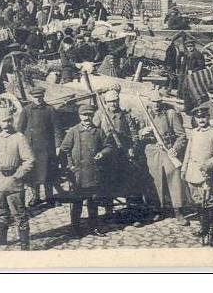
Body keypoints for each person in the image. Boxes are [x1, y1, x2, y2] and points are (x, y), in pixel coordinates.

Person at [60, 103, 113, 237]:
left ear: (93, 116)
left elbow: (108, 146)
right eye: (84, 115)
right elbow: (64, 149)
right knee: (77, 203)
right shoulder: (73, 131)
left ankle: (94, 227)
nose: (87, 118)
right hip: (77, 174)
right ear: (79, 116)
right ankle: (76, 229)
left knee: (93, 202)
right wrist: (70, 166)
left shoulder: (98, 131)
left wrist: (103, 153)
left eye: (89, 115)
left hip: (93, 173)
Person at [137, 90, 189, 225]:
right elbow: (136, 135)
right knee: (155, 181)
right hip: (152, 151)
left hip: (168, 150)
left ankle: (178, 211)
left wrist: (175, 149)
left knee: (175, 179)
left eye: (158, 102)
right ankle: (157, 210)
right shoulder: (144, 114)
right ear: (149, 101)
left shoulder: (171, 114)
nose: (156, 105)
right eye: (153, 102)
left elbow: (181, 136)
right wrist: (142, 132)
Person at [0, 106, 35, 250]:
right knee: (1, 210)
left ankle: (24, 244)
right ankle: (1, 239)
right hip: (0, 181)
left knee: (19, 213)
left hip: (14, 182)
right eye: (4, 121)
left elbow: (30, 160)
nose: (7, 124)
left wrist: (18, 175)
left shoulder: (19, 138)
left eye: (9, 121)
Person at [93, 88, 141, 220]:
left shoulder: (125, 116)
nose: (113, 104)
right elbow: (94, 133)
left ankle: (133, 214)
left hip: (122, 154)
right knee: (107, 183)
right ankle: (109, 213)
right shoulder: (100, 114)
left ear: (118, 101)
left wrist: (133, 148)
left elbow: (134, 135)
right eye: (110, 102)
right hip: (107, 156)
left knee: (130, 183)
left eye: (115, 101)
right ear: (106, 102)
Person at [181, 106, 213, 246]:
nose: (201, 120)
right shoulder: (193, 132)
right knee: (198, 203)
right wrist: (184, 168)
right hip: (192, 172)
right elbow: (188, 151)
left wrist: (207, 164)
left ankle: (211, 233)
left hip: (206, 174)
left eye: (204, 117)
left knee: (208, 203)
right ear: (195, 119)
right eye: (198, 117)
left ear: (208, 117)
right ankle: (203, 228)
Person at [18, 86, 61, 207]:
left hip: (47, 148)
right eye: (36, 97)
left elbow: (57, 129)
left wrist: (58, 145)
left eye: (40, 97)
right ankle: (35, 197)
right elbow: (20, 130)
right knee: (33, 175)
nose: (38, 100)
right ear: (32, 97)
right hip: (31, 148)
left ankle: (50, 197)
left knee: (48, 174)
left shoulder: (50, 110)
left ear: (43, 97)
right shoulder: (26, 110)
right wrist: (20, 147)